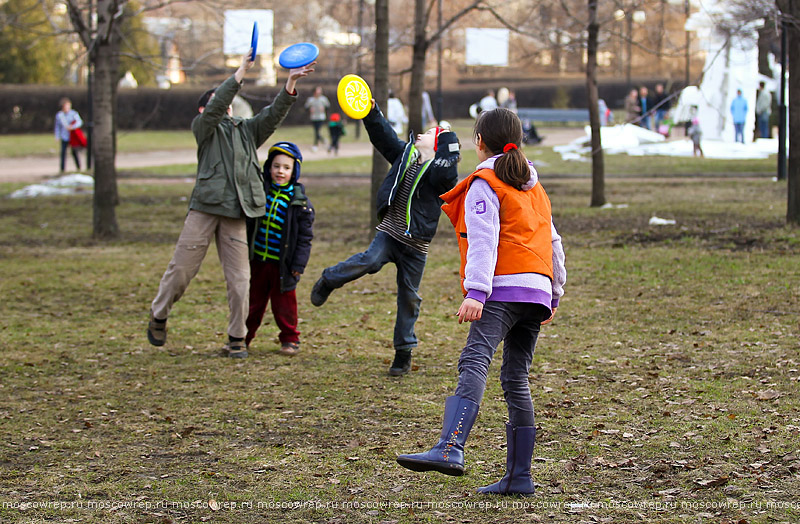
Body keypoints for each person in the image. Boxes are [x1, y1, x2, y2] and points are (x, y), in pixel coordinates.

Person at [396, 107, 566, 496]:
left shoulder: (484, 183)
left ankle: (450, 446)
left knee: (475, 359)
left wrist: (476, 292)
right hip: (536, 291)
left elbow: (484, 241)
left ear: (479, 142)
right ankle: (519, 476)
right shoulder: (534, 187)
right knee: (515, 377)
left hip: (502, 288)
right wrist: (553, 291)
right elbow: (554, 244)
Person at [146, 51, 315, 358]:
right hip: (205, 208)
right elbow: (216, 104)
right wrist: (241, 71)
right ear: (206, 107)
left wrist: (290, 83)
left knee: (240, 280)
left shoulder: (246, 130)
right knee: (182, 270)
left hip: (238, 212)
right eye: (216, 99)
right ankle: (159, 315)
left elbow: (273, 114)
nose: (224, 103)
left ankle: (237, 337)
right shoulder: (205, 128)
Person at [310, 103, 461, 376]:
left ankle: (403, 352)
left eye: (429, 132)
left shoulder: (439, 175)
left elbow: (449, 171)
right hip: (390, 234)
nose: (421, 134)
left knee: (409, 298)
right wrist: (371, 112)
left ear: (438, 144)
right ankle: (329, 279)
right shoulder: (404, 155)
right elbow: (383, 136)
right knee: (369, 260)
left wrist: (448, 136)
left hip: (416, 246)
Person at [245, 142, 314, 356]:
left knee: (284, 304)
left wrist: (298, 265)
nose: (280, 171)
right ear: (269, 168)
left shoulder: (299, 203)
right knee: (252, 303)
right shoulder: (260, 193)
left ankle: (290, 338)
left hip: (283, 265)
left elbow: (305, 238)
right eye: (276, 166)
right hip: (258, 260)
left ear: (294, 171)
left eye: (286, 167)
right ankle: (242, 337)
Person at [54, 98, 84, 173]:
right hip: (65, 136)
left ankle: (78, 167)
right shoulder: (59, 115)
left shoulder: (73, 114)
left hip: (72, 137)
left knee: (74, 152)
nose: (67, 108)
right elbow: (57, 127)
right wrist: (57, 136)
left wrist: (72, 127)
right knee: (63, 153)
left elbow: (79, 122)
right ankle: (62, 169)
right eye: (66, 106)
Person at [305, 86, 330, 151]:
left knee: (317, 131)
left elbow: (328, 106)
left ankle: (315, 145)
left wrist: (324, 108)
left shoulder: (323, 99)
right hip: (313, 117)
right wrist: (310, 109)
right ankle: (323, 140)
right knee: (316, 131)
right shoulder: (311, 100)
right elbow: (306, 107)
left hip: (321, 117)